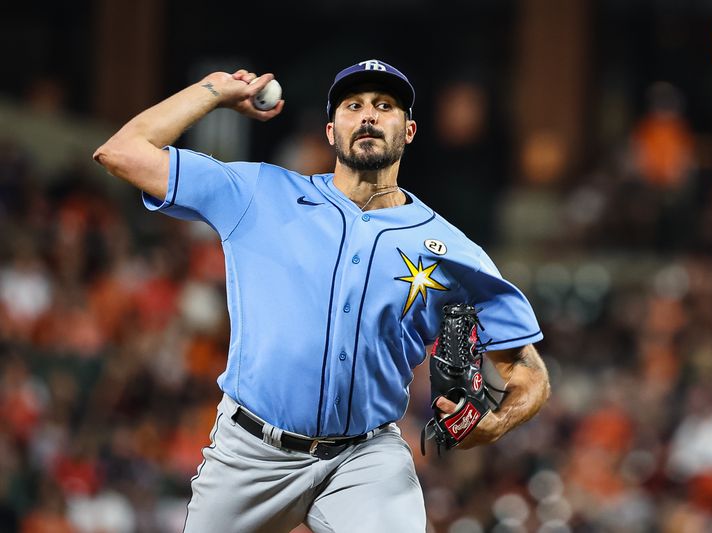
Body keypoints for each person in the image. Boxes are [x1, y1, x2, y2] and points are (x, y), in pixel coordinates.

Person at [93, 59, 550, 533]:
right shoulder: (260, 194)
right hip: (250, 452)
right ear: (331, 131)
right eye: (354, 106)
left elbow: (527, 369)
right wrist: (213, 92)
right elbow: (122, 152)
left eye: (384, 105)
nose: (369, 115)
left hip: (365, 457)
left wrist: (497, 422)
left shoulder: (452, 248)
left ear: (409, 130)